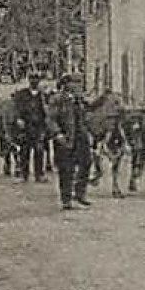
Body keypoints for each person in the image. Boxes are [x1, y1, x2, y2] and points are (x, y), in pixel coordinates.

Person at [48, 74, 93, 210]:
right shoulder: (57, 99)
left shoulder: (80, 100)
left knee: (86, 164)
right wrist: (57, 134)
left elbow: (87, 116)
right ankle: (66, 199)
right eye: (75, 82)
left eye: (80, 82)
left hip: (81, 138)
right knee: (66, 169)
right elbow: (51, 119)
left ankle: (80, 193)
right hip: (65, 139)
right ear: (66, 84)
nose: (79, 85)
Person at [11, 73, 50, 183]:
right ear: (29, 80)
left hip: (38, 127)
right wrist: (18, 119)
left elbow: (46, 111)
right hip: (26, 127)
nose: (34, 81)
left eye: (36, 79)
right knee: (24, 151)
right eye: (32, 79)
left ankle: (39, 174)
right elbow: (16, 108)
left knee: (39, 150)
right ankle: (24, 175)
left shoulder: (42, 96)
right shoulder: (22, 94)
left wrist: (46, 123)